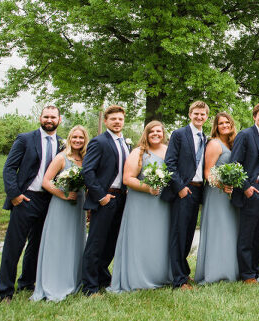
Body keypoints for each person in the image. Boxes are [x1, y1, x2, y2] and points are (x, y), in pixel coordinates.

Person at [0, 105, 62, 302]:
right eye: (46, 116)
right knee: (14, 246)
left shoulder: (62, 144)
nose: (49, 120)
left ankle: (26, 282)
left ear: (59, 120)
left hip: (48, 200)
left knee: (37, 245)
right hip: (25, 198)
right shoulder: (25, 139)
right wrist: (15, 194)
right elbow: (9, 168)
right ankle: (5, 291)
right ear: (40, 118)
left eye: (53, 117)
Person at [109, 121, 172, 292]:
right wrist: (148, 188)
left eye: (159, 131)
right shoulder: (139, 152)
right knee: (140, 238)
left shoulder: (168, 151)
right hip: (141, 202)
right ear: (146, 133)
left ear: (163, 133)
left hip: (161, 203)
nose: (156, 134)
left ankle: (159, 275)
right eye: (152, 131)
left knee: (158, 238)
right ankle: (137, 277)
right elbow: (128, 178)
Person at [31, 125, 87, 302]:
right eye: (74, 137)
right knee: (59, 242)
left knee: (75, 241)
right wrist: (63, 195)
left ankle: (74, 279)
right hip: (61, 205)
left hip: (78, 205)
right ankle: (54, 282)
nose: (77, 140)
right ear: (69, 139)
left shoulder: (85, 159)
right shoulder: (61, 158)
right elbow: (46, 181)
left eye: (81, 138)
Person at [81, 105, 130, 296]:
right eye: (113, 119)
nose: (117, 122)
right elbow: (88, 171)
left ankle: (102, 278)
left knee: (111, 242)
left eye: (120, 119)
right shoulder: (99, 141)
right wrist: (101, 196)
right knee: (96, 243)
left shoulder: (125, 143)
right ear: (106, 121)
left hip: (121, 198)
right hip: (105, 197)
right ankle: (89, 286)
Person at [162, 100, 209, 290]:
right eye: (196, 113)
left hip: (198, 189)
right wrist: (180, 187)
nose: (199, 117)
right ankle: (178, 280)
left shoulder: (205, 137)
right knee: (179, 234)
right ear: (190, 114)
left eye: (202, 114)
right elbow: (170, 163)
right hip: (183, 189)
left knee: (189, 234)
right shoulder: (179, 134)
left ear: (206, 117)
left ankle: (184, 272)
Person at [231, 101, 259, 283]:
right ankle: (246, 274)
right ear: (255, 116)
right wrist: (246, 187)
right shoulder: (245, 135)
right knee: (247, 234)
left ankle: (255, 269)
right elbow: (235, 164)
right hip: (252, 188)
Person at [195, 112, 240, 284]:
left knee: (229, 230)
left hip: (230, 193)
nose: (225, 125)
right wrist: (223, 186)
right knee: (218, 229)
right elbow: (208, 172)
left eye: (227, 122)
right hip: (216, 193)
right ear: (216, 126)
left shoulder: (232, 143)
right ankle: (214, 272)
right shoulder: (214, 143)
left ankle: (229, 269)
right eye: (221, 123)